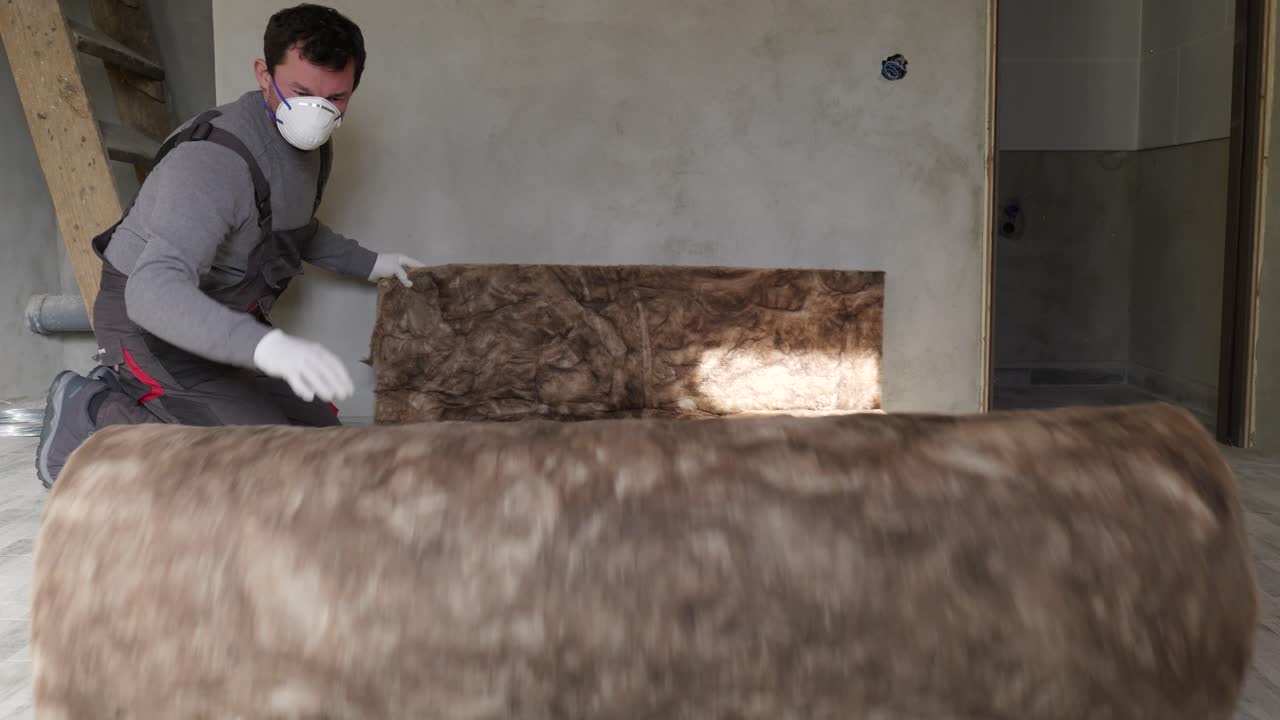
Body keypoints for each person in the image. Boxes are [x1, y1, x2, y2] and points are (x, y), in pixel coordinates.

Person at [34, 3, 422, 488]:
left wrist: (373, 264)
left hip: (217, 322)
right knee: (269, 467)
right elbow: (152, 293)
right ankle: (93, 414)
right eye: (302, 93)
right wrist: (265, 346)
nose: (317, 112)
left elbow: (293, 228)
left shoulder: (313, 145)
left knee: (325, 444)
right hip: (149, 329)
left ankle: (191, 404)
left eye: (335, 98)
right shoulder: (213, 161)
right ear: (264, 74)